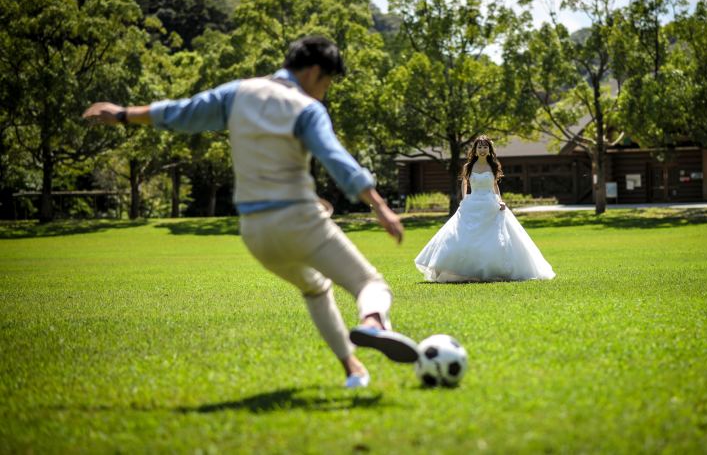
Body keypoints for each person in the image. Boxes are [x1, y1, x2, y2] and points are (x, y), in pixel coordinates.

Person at [83, 35, 418, 388]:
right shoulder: (306, 108)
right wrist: (380, 206)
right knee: (369, 284)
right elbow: (336, 159)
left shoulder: (237, 93)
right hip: (301, 222)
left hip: (257, 234)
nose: (326, 91)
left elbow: (182, 113)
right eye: (328, 82)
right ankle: (373, 324)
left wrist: (122, 114)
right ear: (315, 71)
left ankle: (352, 368)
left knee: (316, 290)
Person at [415, 135, 556, 283]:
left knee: (495, 237)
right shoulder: (468, 167)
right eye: (480, 147)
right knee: (461, 236)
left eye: (485, 147)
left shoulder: (493, 166)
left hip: (490, 204)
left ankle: (497, 269)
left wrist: (500, 201)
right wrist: (464, 198)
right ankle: (460, 269)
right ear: (475, 150)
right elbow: (464, 183)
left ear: (489, 150)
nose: (482, 150)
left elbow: (495, 185)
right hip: (472, 203)